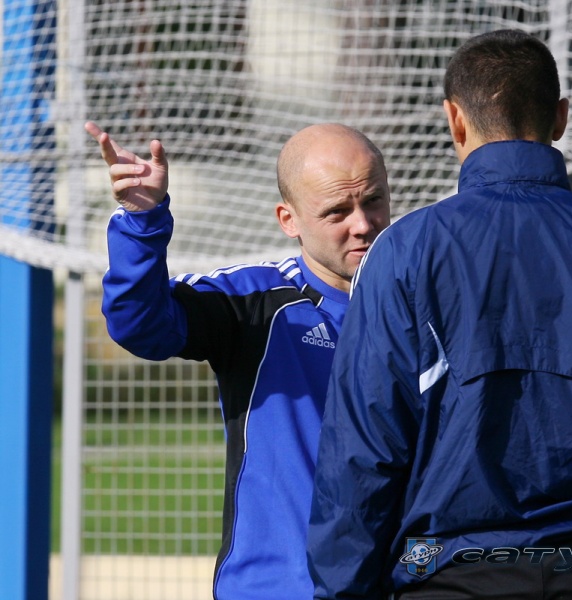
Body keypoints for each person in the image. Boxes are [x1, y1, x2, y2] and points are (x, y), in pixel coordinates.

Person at [307, 29, 572, 600]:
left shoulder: (405, 251)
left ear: (455, 121)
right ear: (561, 117)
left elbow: (361, 454)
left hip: (447, 577)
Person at [85, 120, 391, 600]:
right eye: (337, 211)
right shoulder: (254, 301)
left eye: (372, 200)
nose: (362, 224)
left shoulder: (428, 306)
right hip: (278, 589)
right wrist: (142, 223)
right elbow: (140, 324)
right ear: (288, 220)